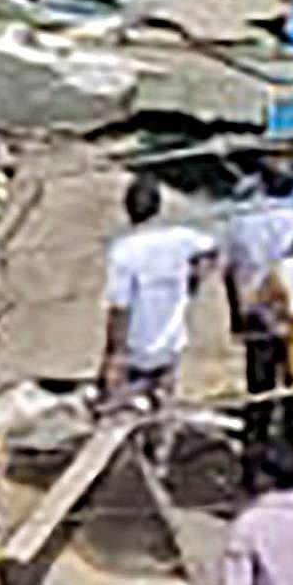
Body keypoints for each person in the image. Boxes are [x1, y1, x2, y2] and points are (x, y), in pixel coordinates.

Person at [100, 175, 219, 412]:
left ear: (127, 208)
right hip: (171, 343)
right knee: (162, 408)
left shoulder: (124, 250)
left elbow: (120, 307)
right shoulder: (181, 239)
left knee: (123, 413)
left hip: (136, 348)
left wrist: (115, 355)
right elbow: (212, 249)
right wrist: (194, 280)